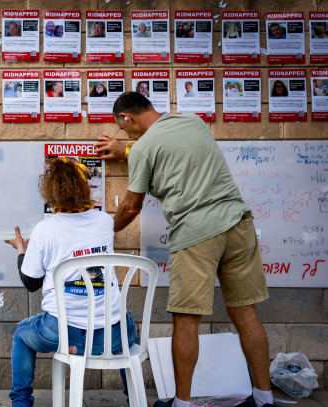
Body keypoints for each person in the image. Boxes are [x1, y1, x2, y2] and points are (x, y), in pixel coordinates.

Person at [95, 91, 274, 407]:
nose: (127, 135)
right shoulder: (192, 121)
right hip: (239, 223)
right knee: (246, 312)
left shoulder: (143, 150)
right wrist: (128, 149)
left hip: (197, 234)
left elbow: (133, 206)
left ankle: (182, 403)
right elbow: (167, 144)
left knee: (187, 320)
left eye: (124, 130)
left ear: (126, 118)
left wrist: (103, 230)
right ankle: (264, 399)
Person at [5, 157, 138, 407]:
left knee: (22, 333)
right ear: (85, 188)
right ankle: (135, 398)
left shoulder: (45, 229)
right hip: (113, 335)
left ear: (49, 191)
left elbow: (31, 283)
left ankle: (21, 403)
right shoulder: (105, 222)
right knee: (126, 320)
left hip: (62, 333)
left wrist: (22, 251)